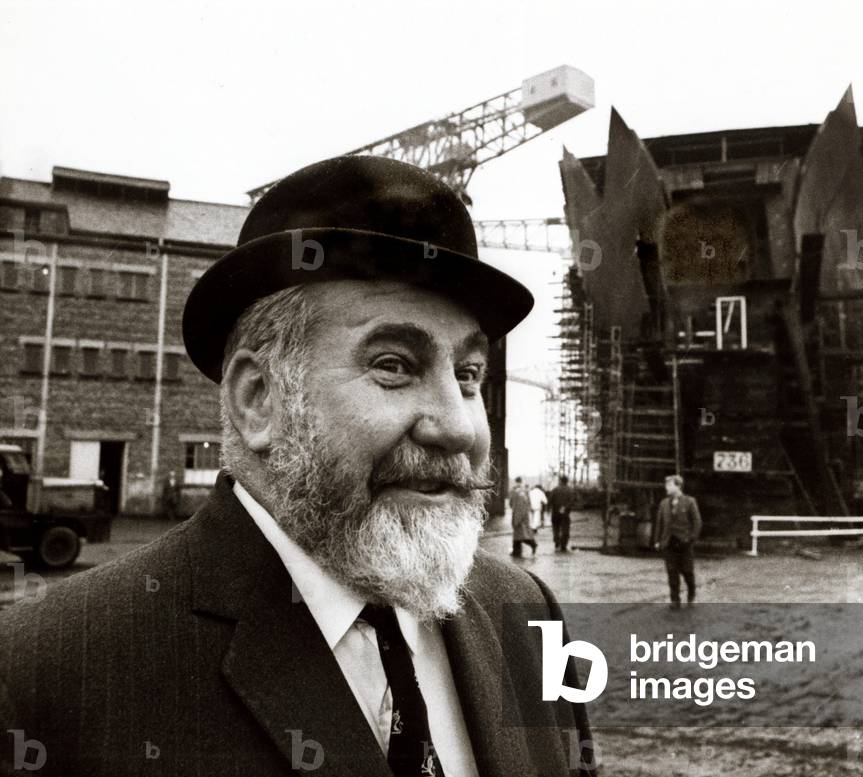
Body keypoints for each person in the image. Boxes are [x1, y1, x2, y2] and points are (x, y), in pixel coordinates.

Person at [0, 156, 594, 776]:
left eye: (469, 376)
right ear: (258, 400)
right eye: (394, 365)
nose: (459, 427)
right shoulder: (47, 676)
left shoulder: (526, 611)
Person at [654, 474, 702, 608]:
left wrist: (691, 539)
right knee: (672, 572)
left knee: (687, 571)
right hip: (669, 543)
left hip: (684, 543)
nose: (666, 488)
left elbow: (697, 522)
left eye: (669, 485)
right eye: (666, 485)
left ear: (678, 486)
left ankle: (691, 596)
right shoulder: (664, 503)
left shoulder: (690, 501)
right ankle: (675, 600)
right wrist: (657, 540)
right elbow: (659, 522)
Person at [509, 477, 536, 557]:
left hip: (518, 515)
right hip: (524, 515)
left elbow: (511, 504)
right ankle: (517, 551)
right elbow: (528, 503)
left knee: (519, 534)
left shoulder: (515, 491)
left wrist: (517, 517)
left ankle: (531, 544)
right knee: (521, 534)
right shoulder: (525, 491)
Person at [549, 475, 575, 552]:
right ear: (567, 481)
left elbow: (550, 500)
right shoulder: (570, 490)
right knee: (565, 529)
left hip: (555, 512)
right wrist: (565, 507)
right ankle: (563, 545)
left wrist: (549, 508)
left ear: (560, 481)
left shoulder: (555, 490)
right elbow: (573, 501)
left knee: (556, 528)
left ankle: (557, 542)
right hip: (565, 513)